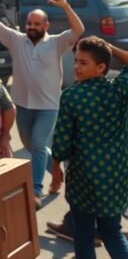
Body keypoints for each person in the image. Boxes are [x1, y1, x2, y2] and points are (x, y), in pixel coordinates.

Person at [0, 0, 83, 205]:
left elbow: (78, 30)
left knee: (38, 144)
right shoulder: (16, 40)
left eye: (37, 24)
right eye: (29, 23)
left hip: (48, 106)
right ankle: (57, 175)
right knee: (32, 146)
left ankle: (36, 191)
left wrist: (65, 6)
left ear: (46, 25)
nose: (32, 27)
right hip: (23, 105)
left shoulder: (57, 43)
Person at [49, 37, 128, 259]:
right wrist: (108, 48)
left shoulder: (71, 96)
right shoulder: (119, 91)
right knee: (112, 231)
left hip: (84, 179)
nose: (76, 66)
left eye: (83, 62)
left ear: (101, 67)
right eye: (75, 61)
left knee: (83, 232)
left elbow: (62, 141)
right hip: (116, 177)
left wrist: (56, 166)